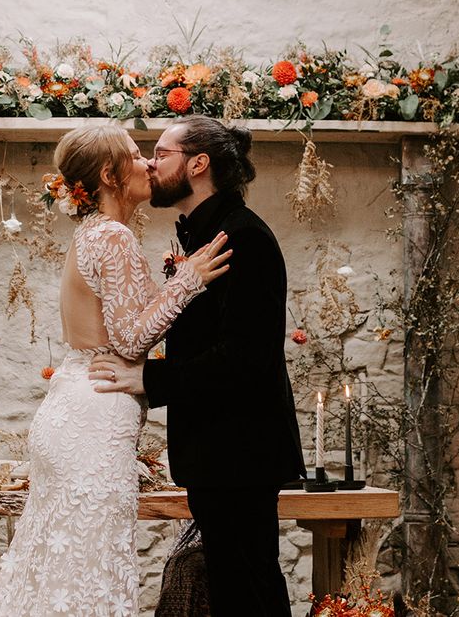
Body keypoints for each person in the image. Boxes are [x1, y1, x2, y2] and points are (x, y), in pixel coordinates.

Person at [0, 124, 231, 617]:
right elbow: (130, 339)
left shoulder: (90, 233)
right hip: (95, 417)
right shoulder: (113, 236)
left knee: (57, 566)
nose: (147, 165)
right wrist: (186, 282)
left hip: (72, 405)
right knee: (88, 567)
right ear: (108, 175)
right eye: (137, 156)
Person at [90, 116, 306, 616]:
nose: (148, 161)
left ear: (198, 164)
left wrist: (148, 379)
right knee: (234, 587)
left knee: (249, 589)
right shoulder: (203, 235)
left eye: (161, 153)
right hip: (220, 452)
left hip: (240, 451)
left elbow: (246, 359)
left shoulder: (242, 238)